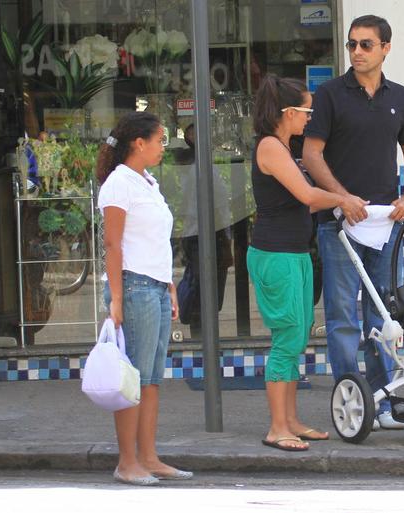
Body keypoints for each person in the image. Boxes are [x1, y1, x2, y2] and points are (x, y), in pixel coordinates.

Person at [302, 15, 404, 430]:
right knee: (341, 317)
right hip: (339, 222)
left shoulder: (401, 97)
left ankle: (383, 403)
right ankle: (352, 405)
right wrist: (341, 198)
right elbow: (311, 155)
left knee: (383, 316)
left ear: (386, 48)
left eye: (366, 45)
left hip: (386, 220)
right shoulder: (331, 94)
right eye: (352, 44)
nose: (356, 52)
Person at [249, 74, 366, 451]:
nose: (309, 119)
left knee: (296, 338)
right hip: (275, 254)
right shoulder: (269, 147)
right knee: (286, 339)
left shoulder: (285, 147)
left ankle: (291, 420)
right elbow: (307, 196)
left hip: (295, 254)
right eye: (305, 111)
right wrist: (343, 200)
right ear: (287, 112)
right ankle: (276, 427)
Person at [96, 111, 193, 485]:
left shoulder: (147, 181)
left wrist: (168, 284)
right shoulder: (120, 183)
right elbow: (112, 244)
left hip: (152, 285)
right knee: (132, 379)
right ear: (139, 143)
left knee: (151, 379)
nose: (163, 147)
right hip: (134, 287)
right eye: (159, 140)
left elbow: (153, 241)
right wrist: (116, 299)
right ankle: (127, 462)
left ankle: (149, 457)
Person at [175, 123, 233, 339]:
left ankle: (202, 335)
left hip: (201, 233)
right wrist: (226, 238)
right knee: (204, 290)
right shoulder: (200, 168)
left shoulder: (195, 167)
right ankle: (202, 338)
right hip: (206, 235)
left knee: (202, 288)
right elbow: (216, 206)